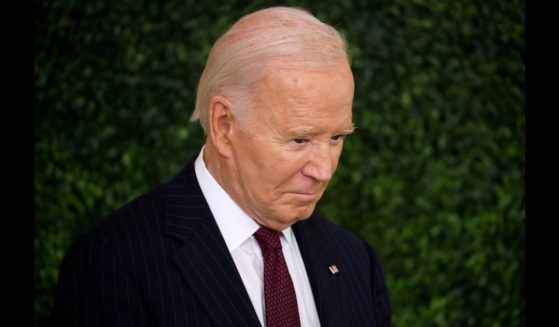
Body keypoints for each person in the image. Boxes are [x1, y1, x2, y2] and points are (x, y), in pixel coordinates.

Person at [50, 6, 392, 327]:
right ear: (223, 125)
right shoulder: (113, 262)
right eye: (299, 140)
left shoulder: (356, 262)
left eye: (336, 138)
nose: (324, 170)